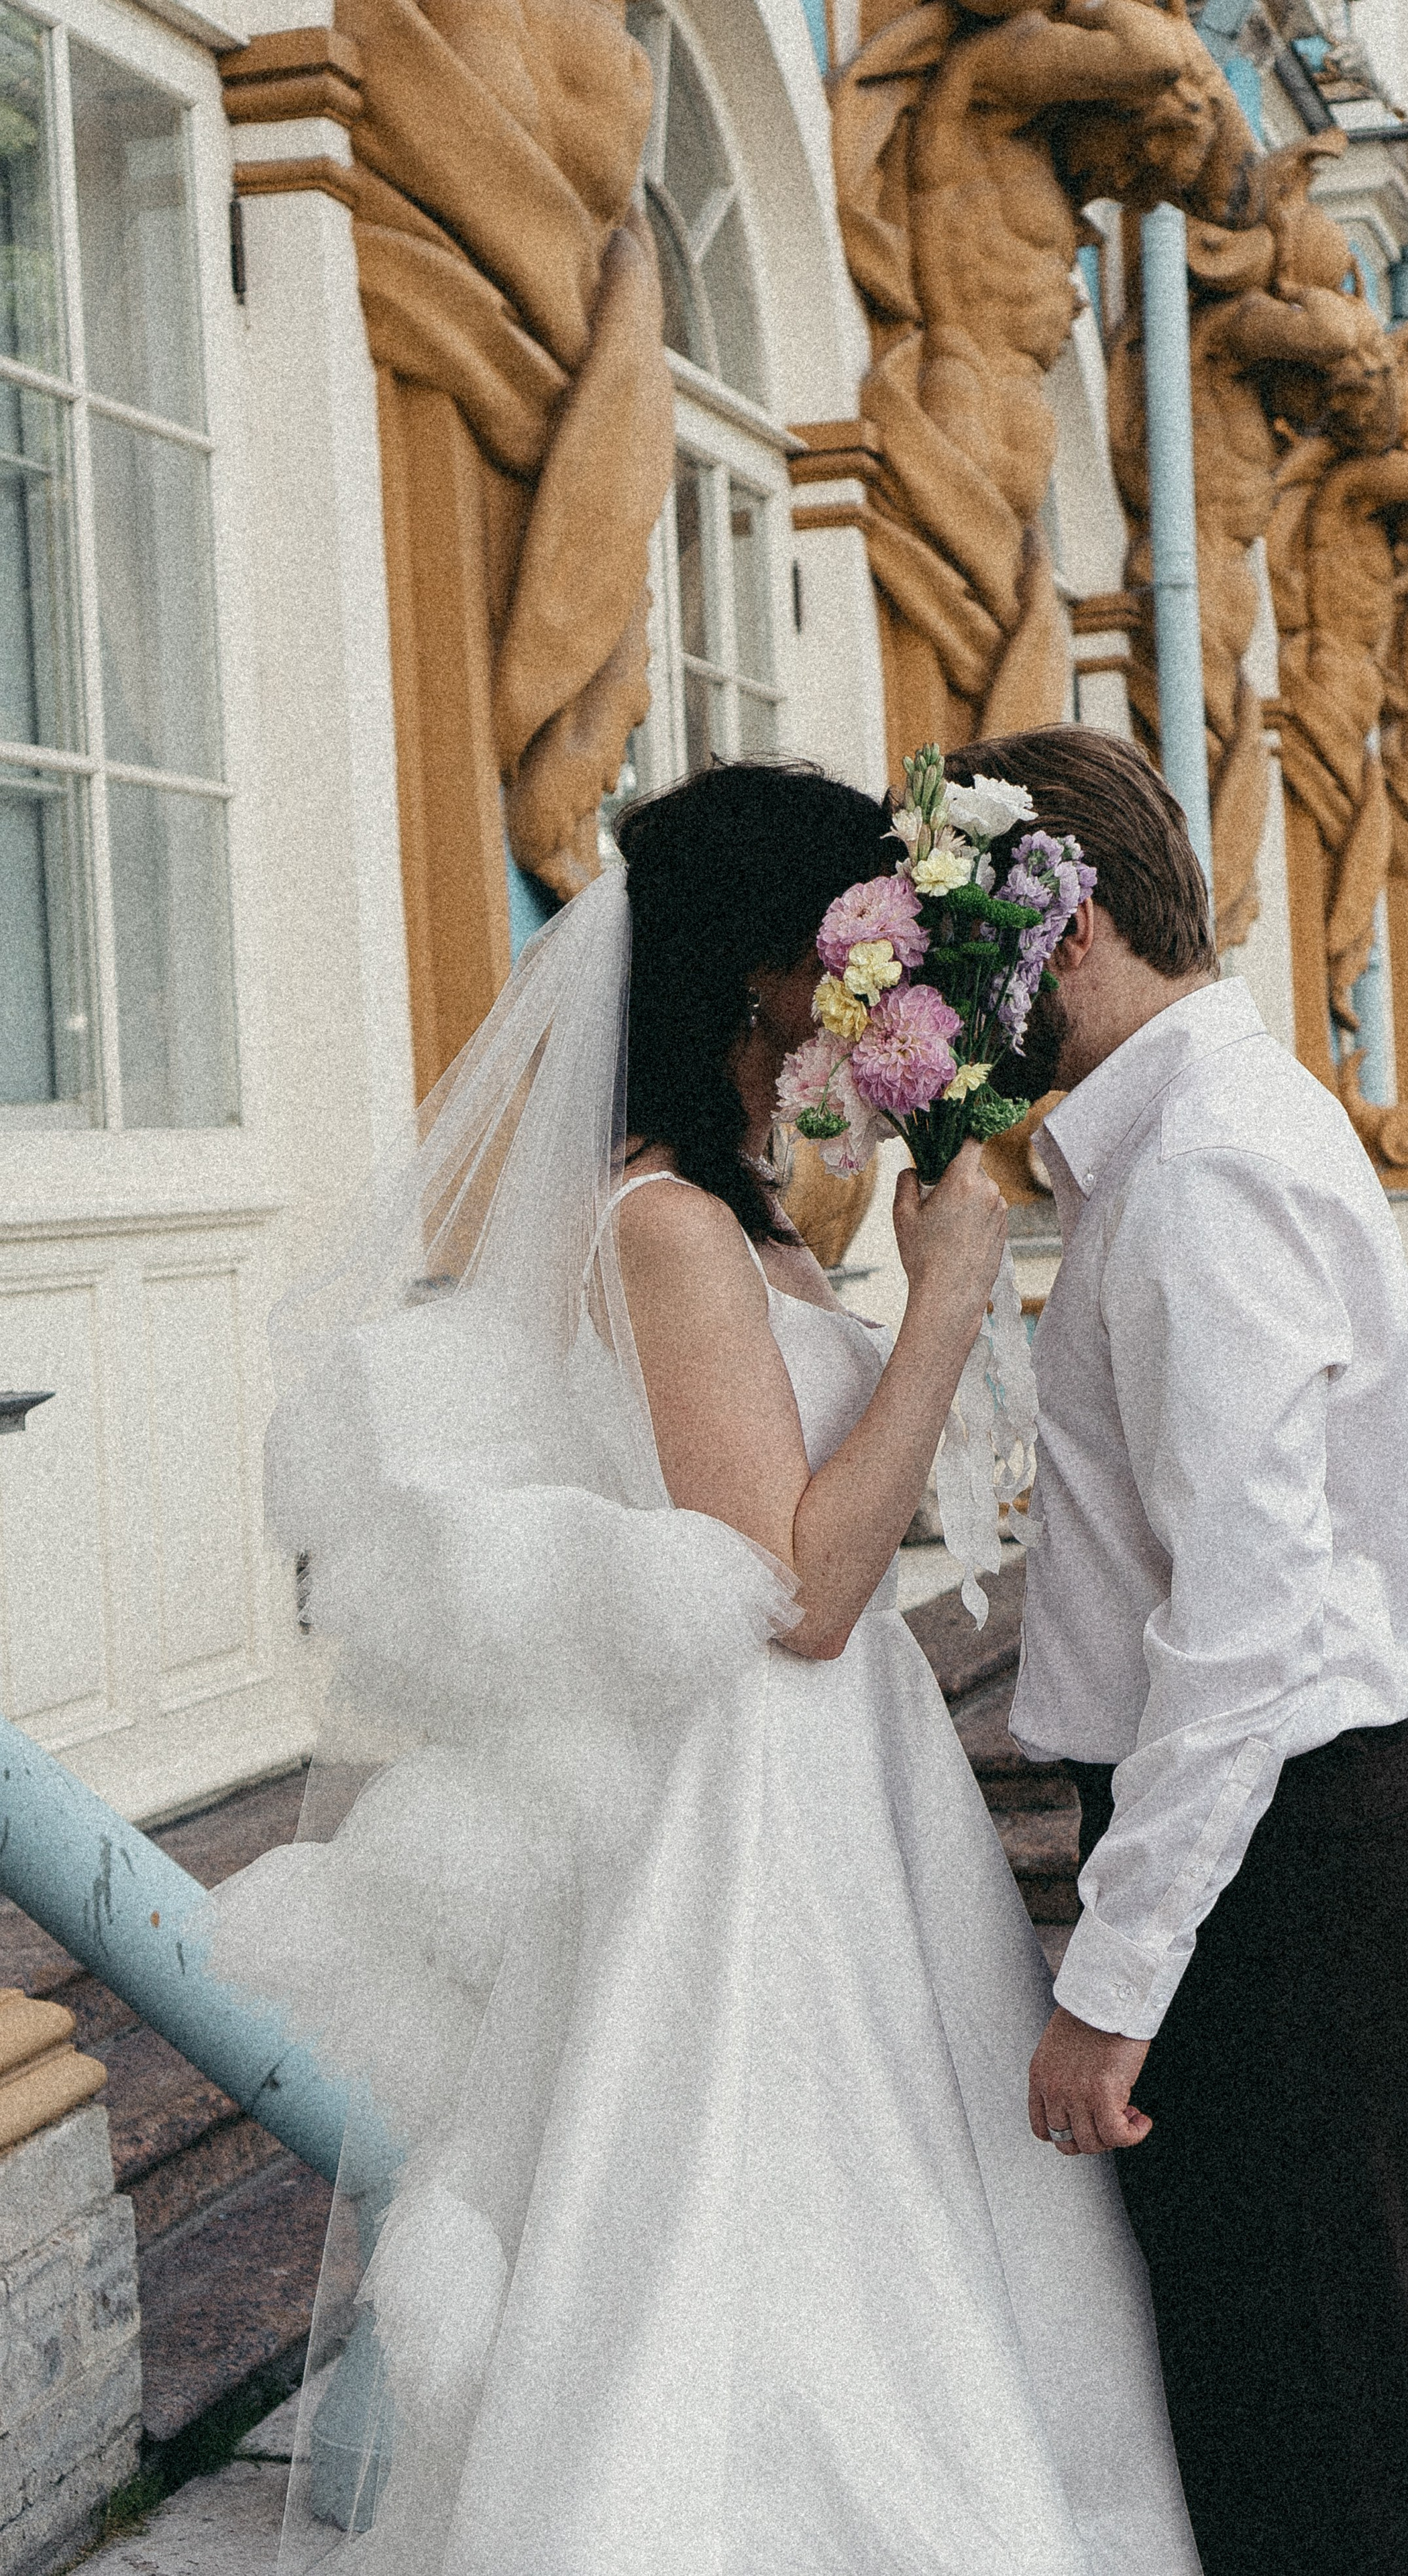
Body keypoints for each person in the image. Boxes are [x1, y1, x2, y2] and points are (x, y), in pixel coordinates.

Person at [209, 760, 1202, 2575]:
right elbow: (793, 1591)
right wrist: (953, 1304)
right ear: (765, 975)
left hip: (839, 1781)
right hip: (754, 1800)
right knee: (750, 2220)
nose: (879, 995)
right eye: (860, 949)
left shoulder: (740, 1222)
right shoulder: (664, 1227)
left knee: (887, 2205)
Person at [944, 725, 1408, 2576]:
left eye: (966, 953)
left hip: (1287, 1865)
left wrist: (1118, 1976)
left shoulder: (1198, 1174)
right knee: (1319, 2419)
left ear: (1069, 926)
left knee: (1320, 2438)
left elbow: (1243, 1624)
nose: (949, 1006)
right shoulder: (1195, 1138)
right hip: (1304, 1844)